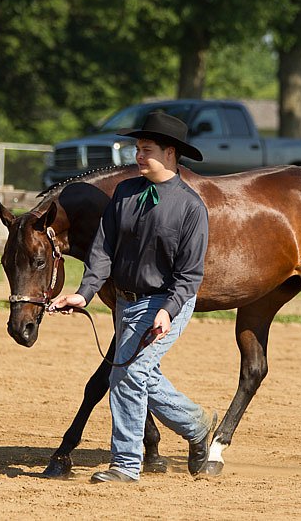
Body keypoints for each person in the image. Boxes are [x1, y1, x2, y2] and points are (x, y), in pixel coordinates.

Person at [48, 111, 217, 483]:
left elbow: (190, 275)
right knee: (137, 374)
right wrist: (84, 292)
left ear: (171, 153)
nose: (138, 156)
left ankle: (125, 464)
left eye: (147, 149)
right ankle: (197, 424)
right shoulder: (125, 192)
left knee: (128, 375)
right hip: (126, 302)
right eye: (137, 149)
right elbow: (104, 248)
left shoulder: (191, 207)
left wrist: (168, 311)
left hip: (166, 302)